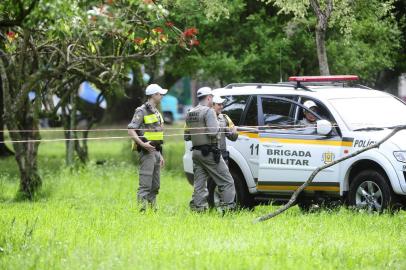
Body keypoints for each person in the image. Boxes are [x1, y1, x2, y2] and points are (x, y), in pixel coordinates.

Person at [184, 87, 236, 213]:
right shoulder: (209, 111)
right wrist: (222, 127)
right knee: (227, 181)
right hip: (210, 153)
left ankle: (198, 210)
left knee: (200, 184)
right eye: (212, 97)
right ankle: (228, 209)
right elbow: (213, 132)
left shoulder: (190, 112)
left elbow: (186, 136)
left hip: (196, 154)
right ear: (208, 98)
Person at [128, 84, 167, 212]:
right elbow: (131, 131)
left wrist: (160, 154)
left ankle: (153, 210)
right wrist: (142, 144)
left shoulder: (157, 112)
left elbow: (157, 135)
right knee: (145, 184)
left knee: (155, 185)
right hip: (146, 152)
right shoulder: (141, 110)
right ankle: (142, 211)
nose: (161, 96)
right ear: (153, 95)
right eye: (160, 94)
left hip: (156, 151)